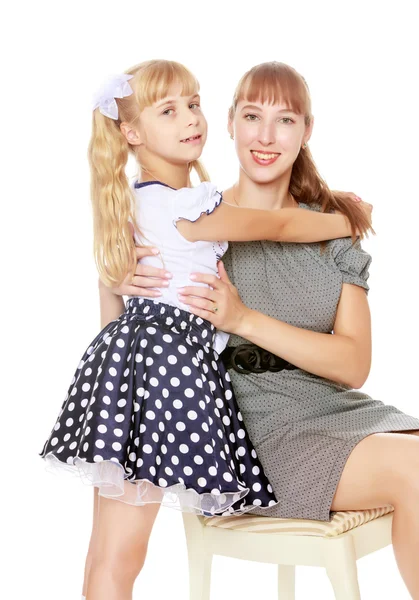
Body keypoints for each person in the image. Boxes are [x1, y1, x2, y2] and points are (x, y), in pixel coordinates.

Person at [39, 59, 367, 600]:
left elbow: (114, 323)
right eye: (169, 110)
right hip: (164, 369)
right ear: (132, 132)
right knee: (119, 553)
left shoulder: (148, 203)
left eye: (193, 104)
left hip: (141, 363)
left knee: (110, 551)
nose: (191, 118)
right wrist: (345, 219)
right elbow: (279, 224)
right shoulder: (185, 208)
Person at [112, 61, 419, 598]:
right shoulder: (197, 225)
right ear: (229, 123)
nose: (267, 136)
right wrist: (110, 279)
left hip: (341, 415)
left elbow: (351, 366)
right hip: (253, 435)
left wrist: (244, 319)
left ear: (306, 131)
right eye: (252, 116)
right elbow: (131, 339)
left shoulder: (330, 233)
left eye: (285, 120)